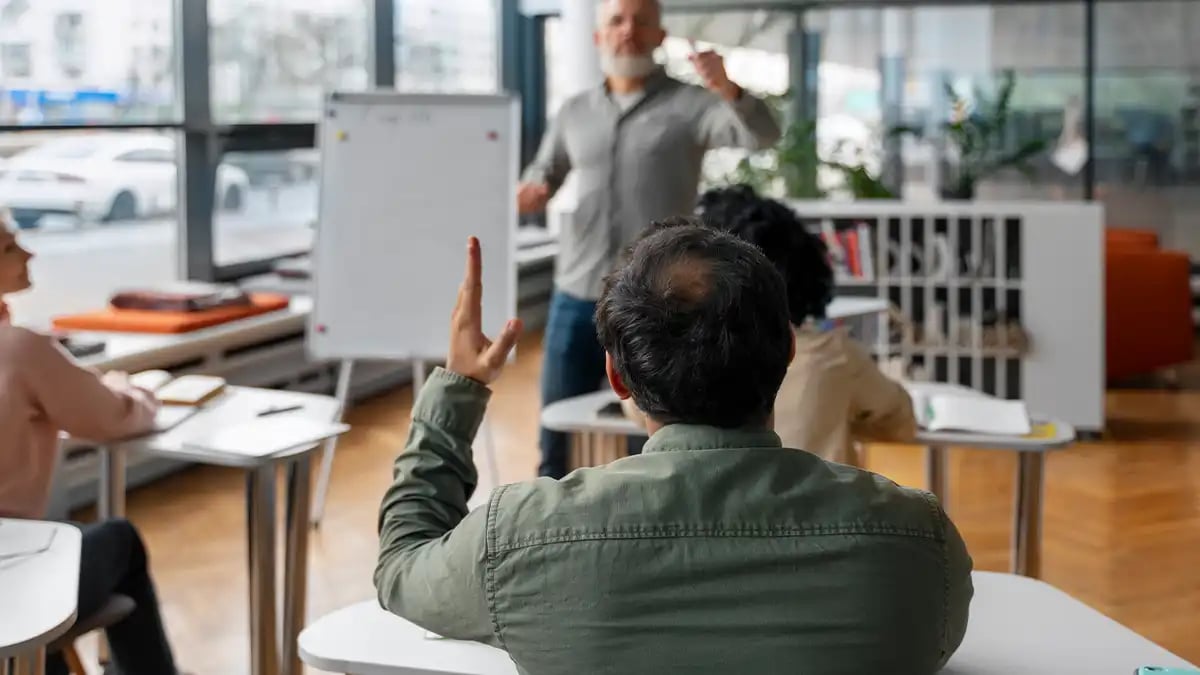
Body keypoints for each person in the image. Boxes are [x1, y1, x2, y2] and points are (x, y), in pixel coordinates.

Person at [375, 230, 973, 673]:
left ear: (616, 376)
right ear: (788, 350)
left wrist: (459, 388)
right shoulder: (918, 544)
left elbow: (401, 566)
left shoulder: (519, 540)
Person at [519, 0, 782, 478]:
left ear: (660, 36)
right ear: (598, 36)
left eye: (641, 21)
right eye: (616, 21)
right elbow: (545, 171)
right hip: (576, 291)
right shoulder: (574, 111)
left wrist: (727, 87)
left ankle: (635, 519)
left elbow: (762, 136)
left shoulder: (693, 105)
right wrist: (533, 189)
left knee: (648, 430)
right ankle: (549, 516)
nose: (628, 31)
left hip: (654, 299)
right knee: (555, 424)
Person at [0, 215, 181, 675]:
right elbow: (114, 417)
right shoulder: (19, 350)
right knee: (120, 539)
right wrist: (134, 390)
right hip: (11, 585)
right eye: (8, 248)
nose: (28, 253)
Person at [693, 185, 917, 465]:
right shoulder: (834, 354)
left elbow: (644, 410)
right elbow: (900, 422)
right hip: (822, 506)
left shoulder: (689, 360)